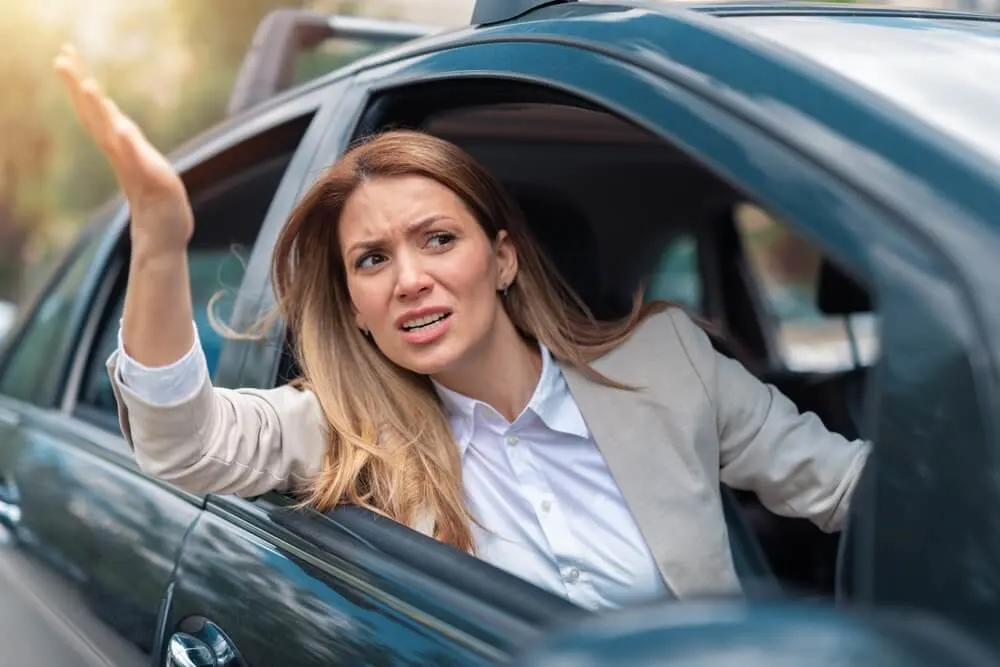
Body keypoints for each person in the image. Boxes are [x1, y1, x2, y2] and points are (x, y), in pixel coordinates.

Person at [54, 45, 870, 610]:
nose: (410, 279)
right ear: (358, 308)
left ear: (503, 258)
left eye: (438, 239)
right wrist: (160, 241)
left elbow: (847, 489)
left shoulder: (667, 361)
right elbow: (182, 442)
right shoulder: (342, 429)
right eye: (371, 261)